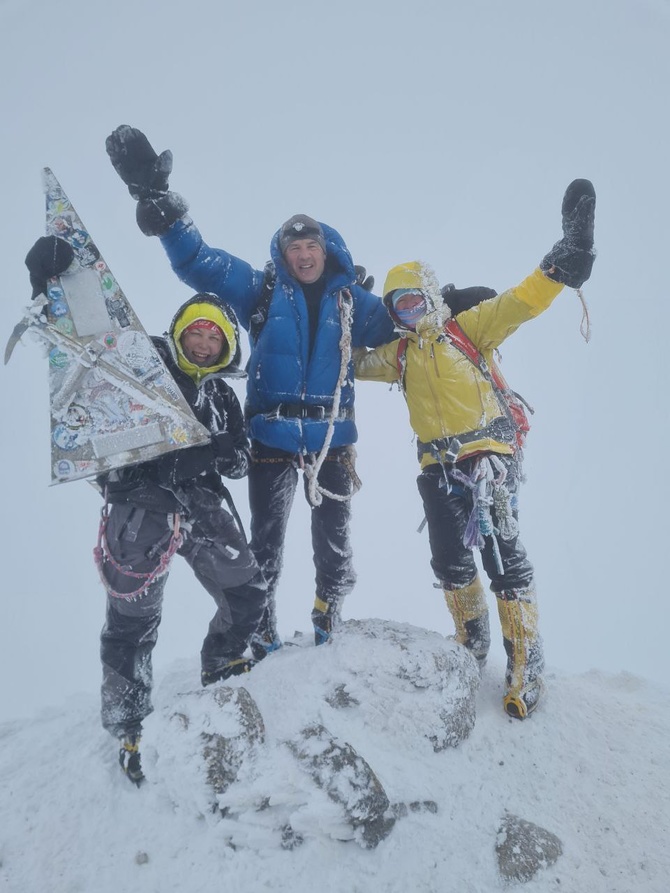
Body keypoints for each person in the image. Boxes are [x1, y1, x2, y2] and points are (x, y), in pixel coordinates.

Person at [105, 125, 396, 657]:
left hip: (333, 436)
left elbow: (403, 324)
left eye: (312, 246)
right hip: (272, 436)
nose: (304, 255)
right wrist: (162, 207)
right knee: (265, 540)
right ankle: (261, 626)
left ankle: (330, 604)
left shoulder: (354, 302)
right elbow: (199, 262)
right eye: (295, 247)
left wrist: (434, 301)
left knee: (334, 537)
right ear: (282, 254)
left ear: (327, 251)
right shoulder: (261, 288)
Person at [25, 235, 268, 784]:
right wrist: (49, 285)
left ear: (228, 345)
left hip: (203, 507)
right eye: (195, 330)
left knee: (246, 593)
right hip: (139, 508)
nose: (203, 342)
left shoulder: (224, 395)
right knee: (132, 622)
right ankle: (128, 722)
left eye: (215, 335)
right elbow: (81, 357)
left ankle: (223, 664)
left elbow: (237, 460)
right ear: (178, 332)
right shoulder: (140, 360)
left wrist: (219, 450)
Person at [354, 179, 596, 719]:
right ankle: (472, 642)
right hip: (434, 465)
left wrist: (562, 262)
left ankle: (526, 661)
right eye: (400, 305)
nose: (410, 311)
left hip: (487, 457)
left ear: (432, 298)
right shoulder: (398, 355)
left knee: (503, 558)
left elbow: (520, 301)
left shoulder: (467, 329)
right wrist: (337, 313)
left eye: (416, 299)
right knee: (448, 557)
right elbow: (349, 364)